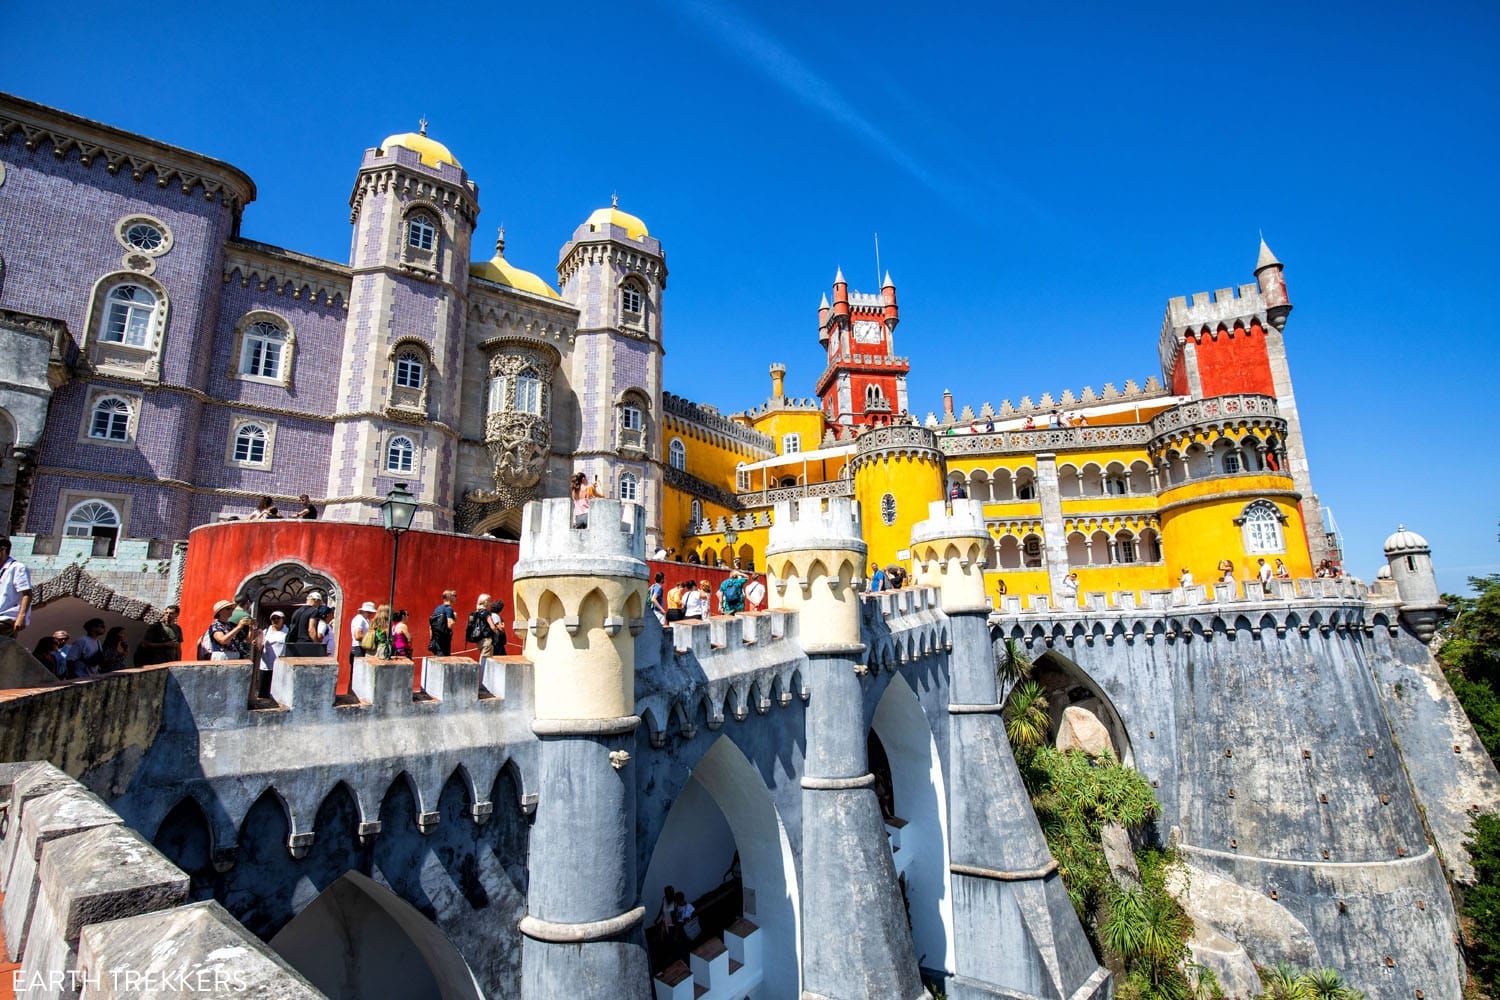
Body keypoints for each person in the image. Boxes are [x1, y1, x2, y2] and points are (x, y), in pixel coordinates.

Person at [0, 536, 33, 638]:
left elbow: (27, 594)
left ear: (3, 549)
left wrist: (21, 617)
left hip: (6, 619)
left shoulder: (17, 568)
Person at [258, 610, 287, 699]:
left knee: (277, 692)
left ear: (283, 619)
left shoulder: (287, 632)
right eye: (273, 618)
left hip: (280, 666)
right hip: (266, 665)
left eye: (278, 618)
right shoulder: (266, 631)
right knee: (263, 692)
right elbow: (259, 647)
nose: (275, 620)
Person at [286, 590, 325, 657]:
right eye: (319, 603)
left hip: (295, 645)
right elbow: (311, 629)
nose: (319, 605)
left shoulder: (297, 611)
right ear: (316, 600)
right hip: (307, 645)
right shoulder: (314, 611)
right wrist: (317, 644)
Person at [429, 590, 457, 656]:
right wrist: (455, 618)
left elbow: (431, 626)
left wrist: (432, 639)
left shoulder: (437, 609)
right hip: (444, 642)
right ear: (450, 597)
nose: (455, 597)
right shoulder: (449, 609)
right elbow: (449, 625)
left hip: (435, 641)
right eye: (454, 596)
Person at [351, 601, 376, 667]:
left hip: (361, 647)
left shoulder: (364, 620)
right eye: (368, 612)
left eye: (371, 612)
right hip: (359, 648)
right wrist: (370, 637)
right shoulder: (360, 619)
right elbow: (357, 636)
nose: (370, 614)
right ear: (363, 611)